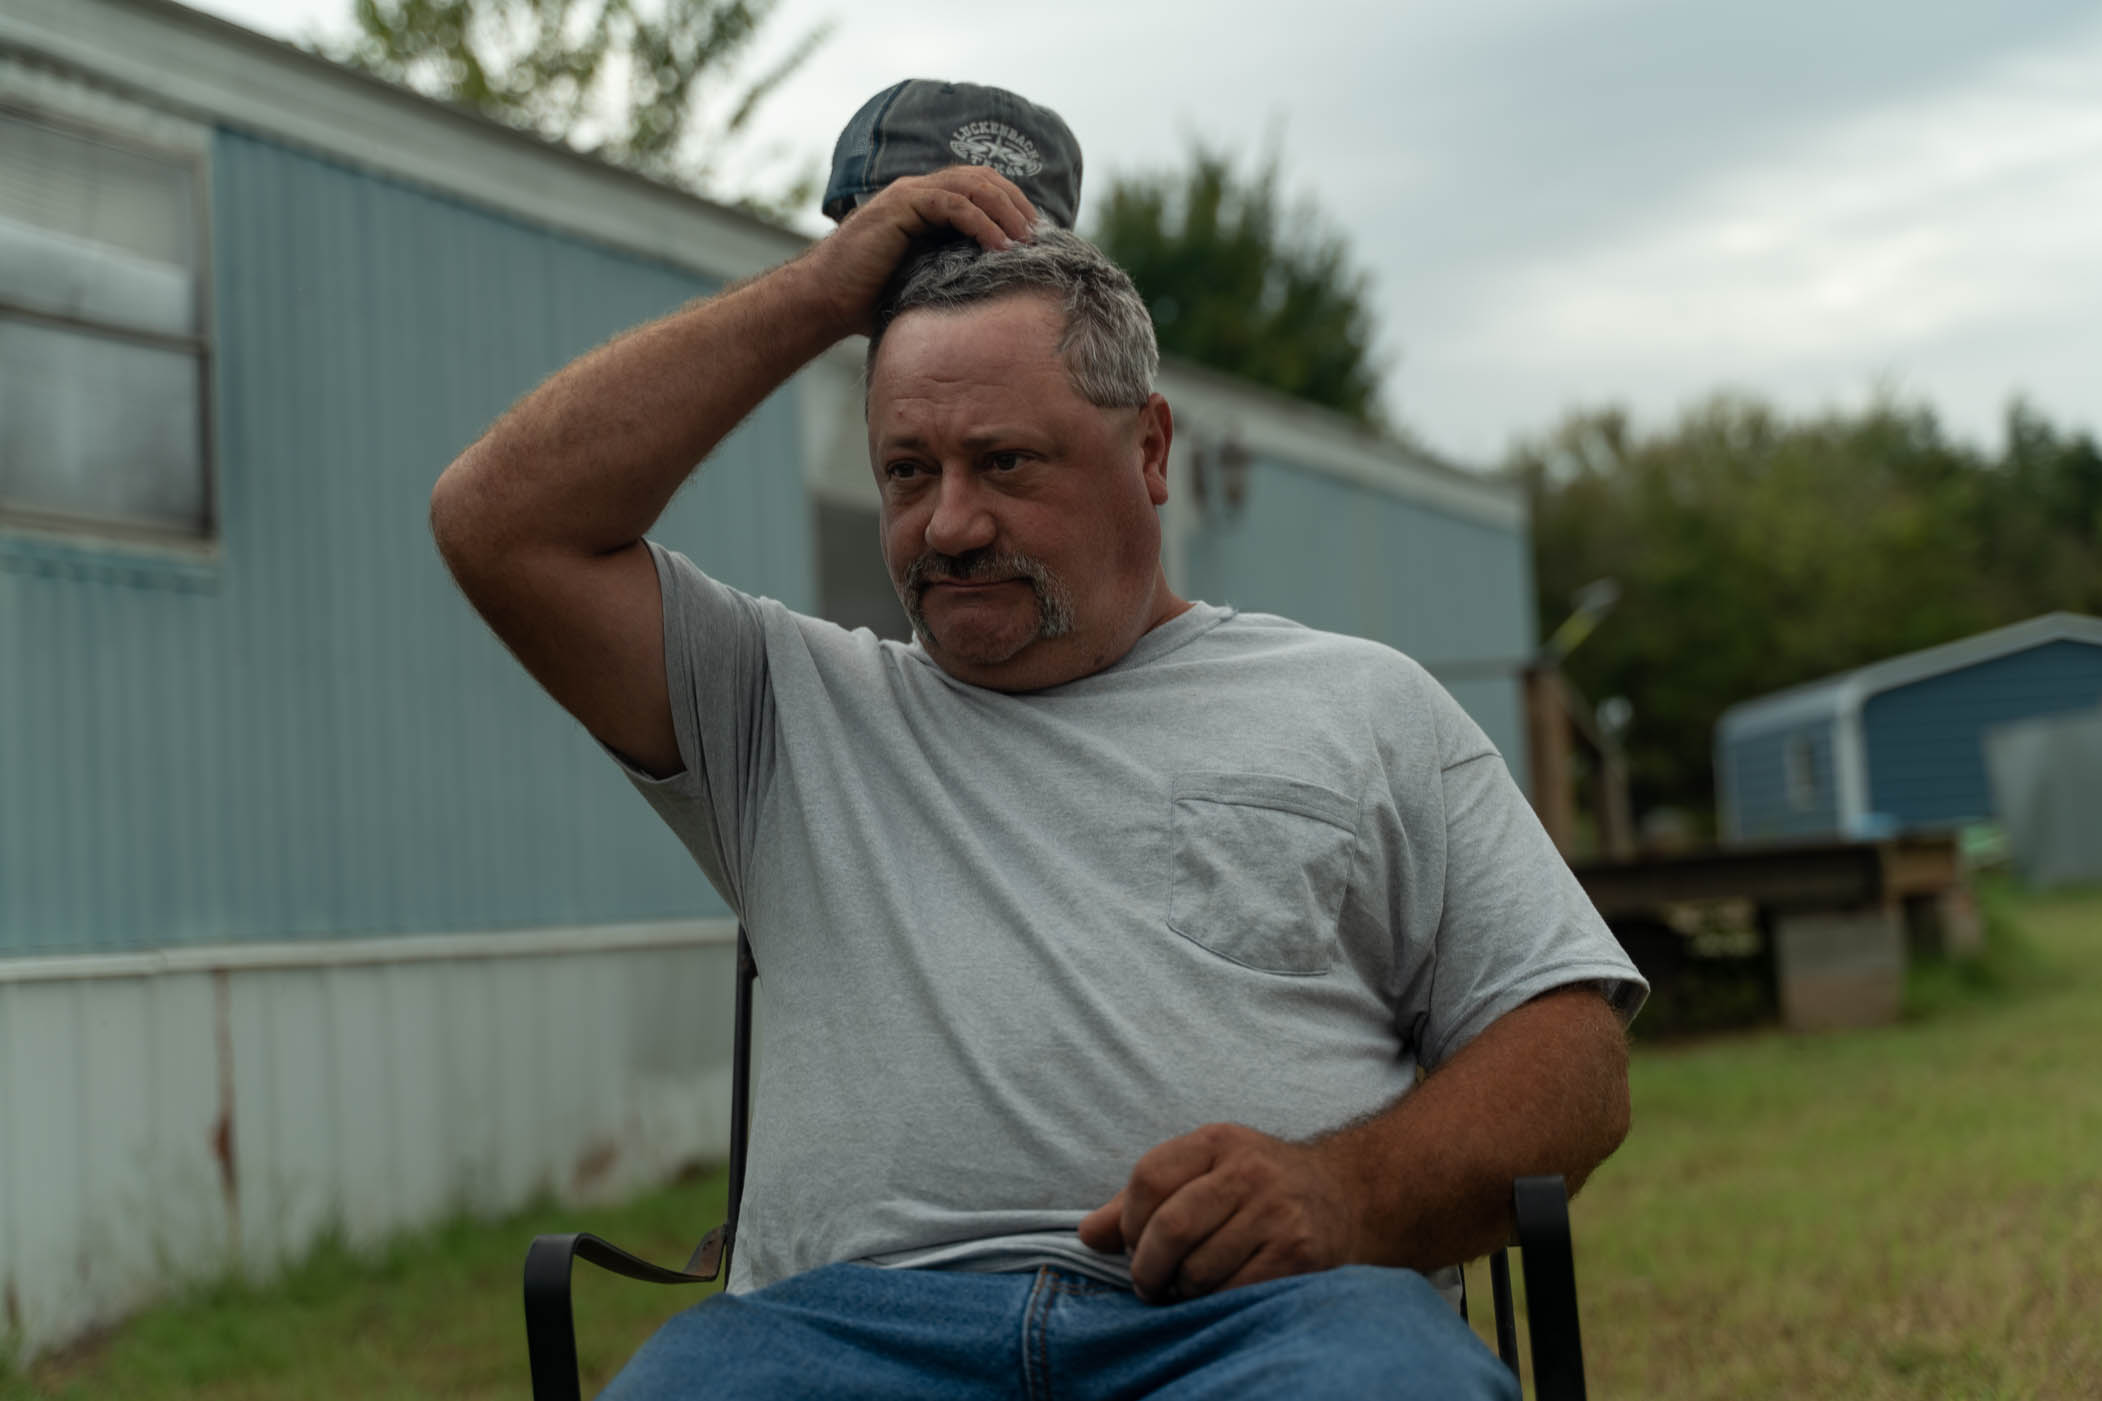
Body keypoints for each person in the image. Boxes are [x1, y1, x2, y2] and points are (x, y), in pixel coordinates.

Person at [431, 79, 1645, 1401]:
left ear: (1151, 451)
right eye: (908, 471)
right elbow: (499, 524)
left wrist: (1342, 1192)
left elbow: (1572, 1055)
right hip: (851, 1338)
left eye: (1004, 462)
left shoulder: (1361, 706)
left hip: (1256, 1325)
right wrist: (820, 294)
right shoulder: (779, 707)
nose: (949, 524)